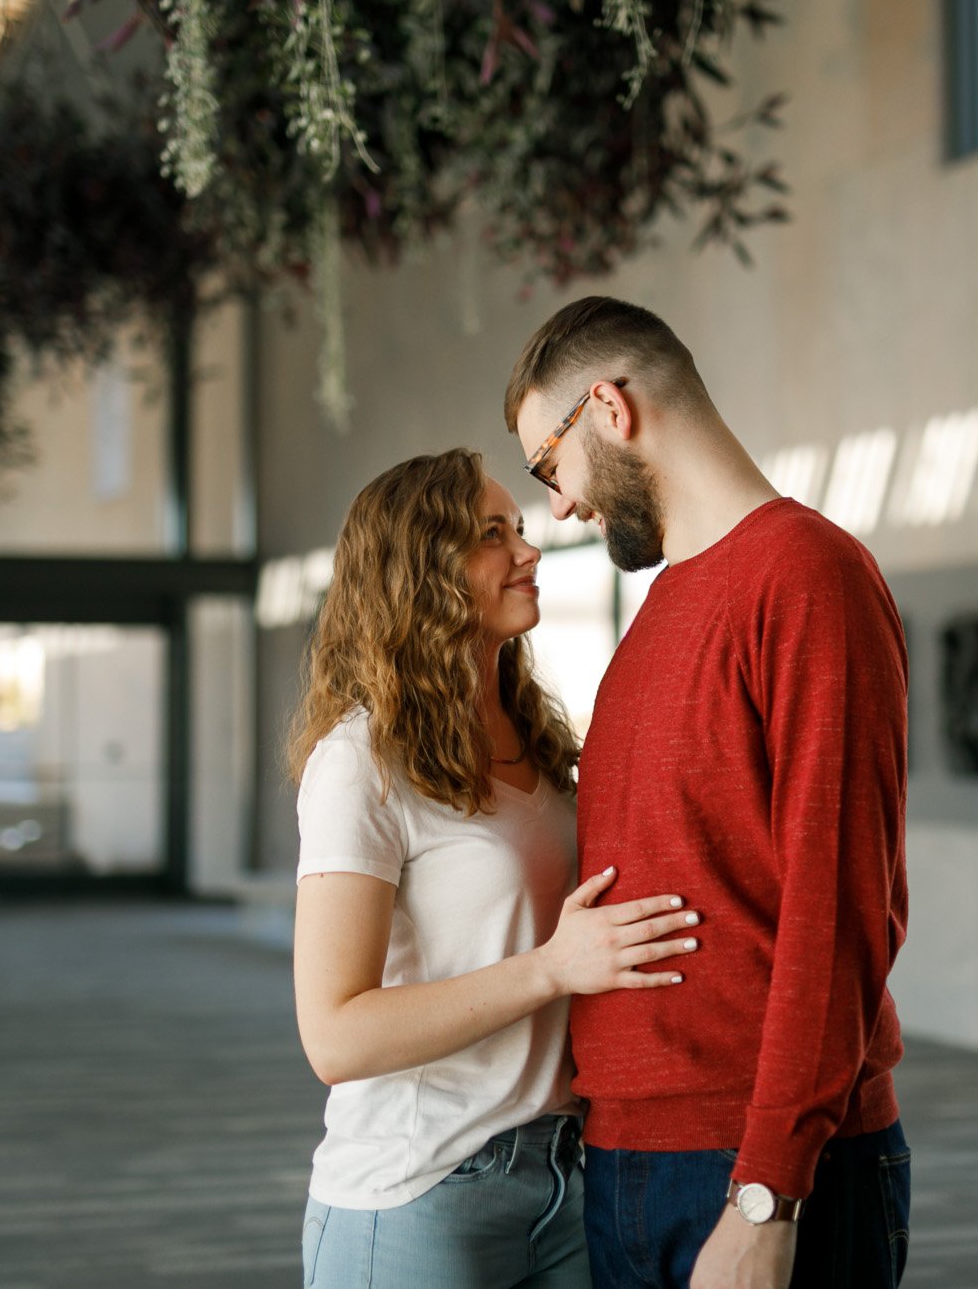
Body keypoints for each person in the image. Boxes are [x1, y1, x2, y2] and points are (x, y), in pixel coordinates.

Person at [503, 298, 912, 1289]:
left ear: (609, 407)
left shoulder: (808, 576)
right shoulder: (661, 613)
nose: (557, 507)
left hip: (759, 1170)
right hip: (630, 1161)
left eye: (545, 467)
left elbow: (841, 909)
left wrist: (769, 1189)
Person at [290, 448, 705, 1288]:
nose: (529, 550)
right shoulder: (360, 763)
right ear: (420, 570)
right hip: (420, 1191)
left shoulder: (539, 745)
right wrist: (552, 968)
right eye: (491, 535)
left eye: (518, 527)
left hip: (565, 1175)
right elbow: (335, 1036)